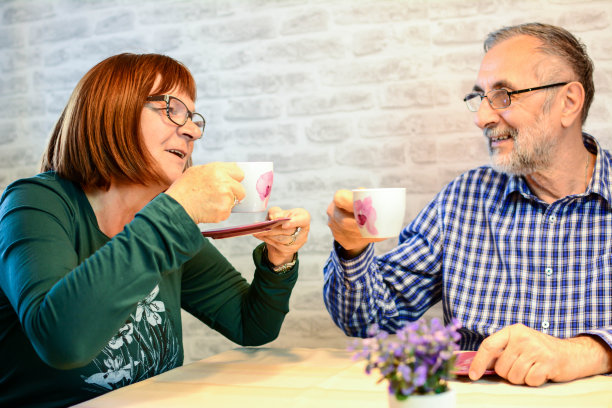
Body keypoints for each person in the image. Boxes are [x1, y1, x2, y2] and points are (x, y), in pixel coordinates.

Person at [0, 53, 310, 407]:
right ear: (113, 109)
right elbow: (63, 343)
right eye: (172, 108)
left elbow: (251, 325)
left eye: (193, 118)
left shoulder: (161, 221)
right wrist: (179, 209)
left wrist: (279, 259)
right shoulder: (35, 202)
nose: (192, 130)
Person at [323, 22, 612, 387]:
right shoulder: (463, 199)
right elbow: (369, 319)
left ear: (568, 102)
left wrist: (587, 352)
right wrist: (352, 249)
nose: (482, 118)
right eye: (481, 97)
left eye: (504, 95)